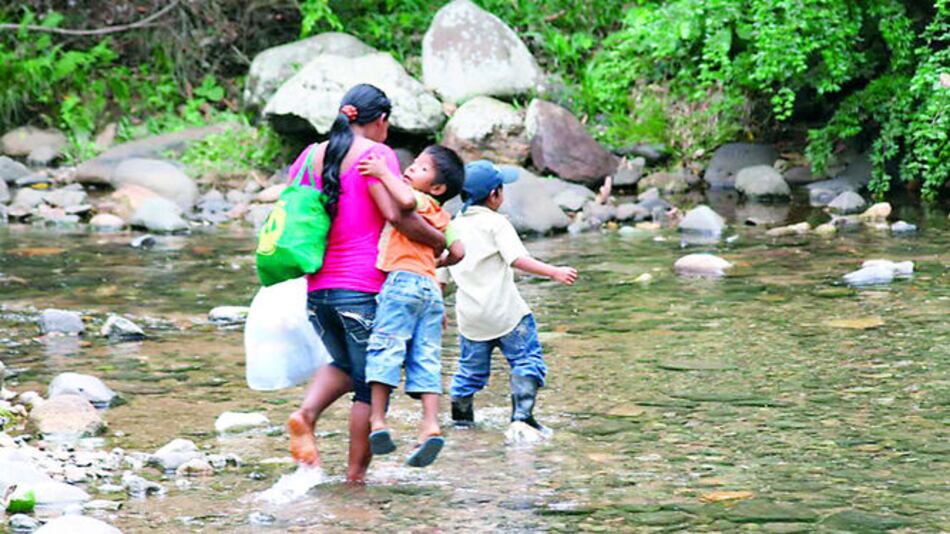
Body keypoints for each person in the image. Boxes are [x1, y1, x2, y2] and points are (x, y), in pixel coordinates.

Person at [285, 84, 446, 484]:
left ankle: (305, 415)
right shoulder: (376, 155)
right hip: (364, 287)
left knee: (342, 363)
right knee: (368, 385)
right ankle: (355, 481)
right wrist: (442, 242)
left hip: (317, 288)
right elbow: (398, 215)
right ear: (381, 120)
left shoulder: (309, 156)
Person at [438, 160, 578, 434]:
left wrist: (439, 306)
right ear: (494, 195)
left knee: (469, 373)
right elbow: (517, 259)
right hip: (507, 314)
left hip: (472, 320)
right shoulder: (496, 223)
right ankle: (522, 419)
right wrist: (554, 272)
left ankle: (462, 423)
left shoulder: (451, 227)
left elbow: (439, 272)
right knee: (526, 360)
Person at [355, 145, 465, 468]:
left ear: (437, 188)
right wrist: (438, 259)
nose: (411, 169)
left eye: (420, 168)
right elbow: (458, 251)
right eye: (413, 164)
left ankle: (378, 421)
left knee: (386, 347)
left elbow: (403, 203)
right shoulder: (446, 216)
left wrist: (381, 173)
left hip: (402, 282)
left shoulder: (418, 198)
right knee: (426, 357)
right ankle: (430, 426)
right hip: (430, 290)